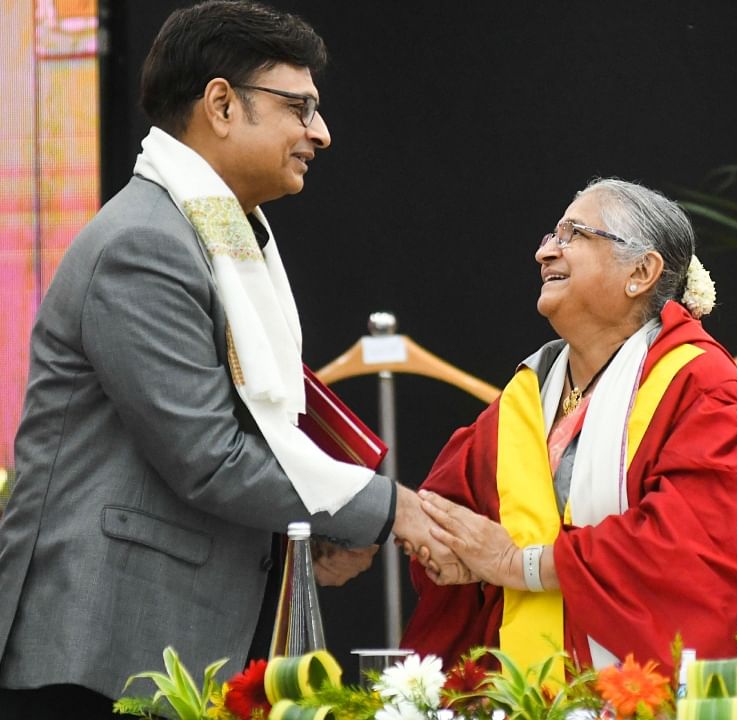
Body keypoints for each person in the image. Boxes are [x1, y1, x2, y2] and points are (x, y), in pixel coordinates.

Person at [0, 2, 433, 716]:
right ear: (222, 105)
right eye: (299, 107)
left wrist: (322, 520)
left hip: (158, 648)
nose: (319, 133)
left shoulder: (216, 234)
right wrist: (391, 512)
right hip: (98, 650)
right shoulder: (145, 245)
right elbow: (208, 455)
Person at [400, 178, 737, 676]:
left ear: (640, 272)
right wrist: (443, 546)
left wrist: (516, 564)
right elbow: (452, 506)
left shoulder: (710, 398)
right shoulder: (530, 395)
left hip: (648, 694)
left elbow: (692, 564)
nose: (543, 252)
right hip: (522, 688)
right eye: (551, 235)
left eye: (572, 234)